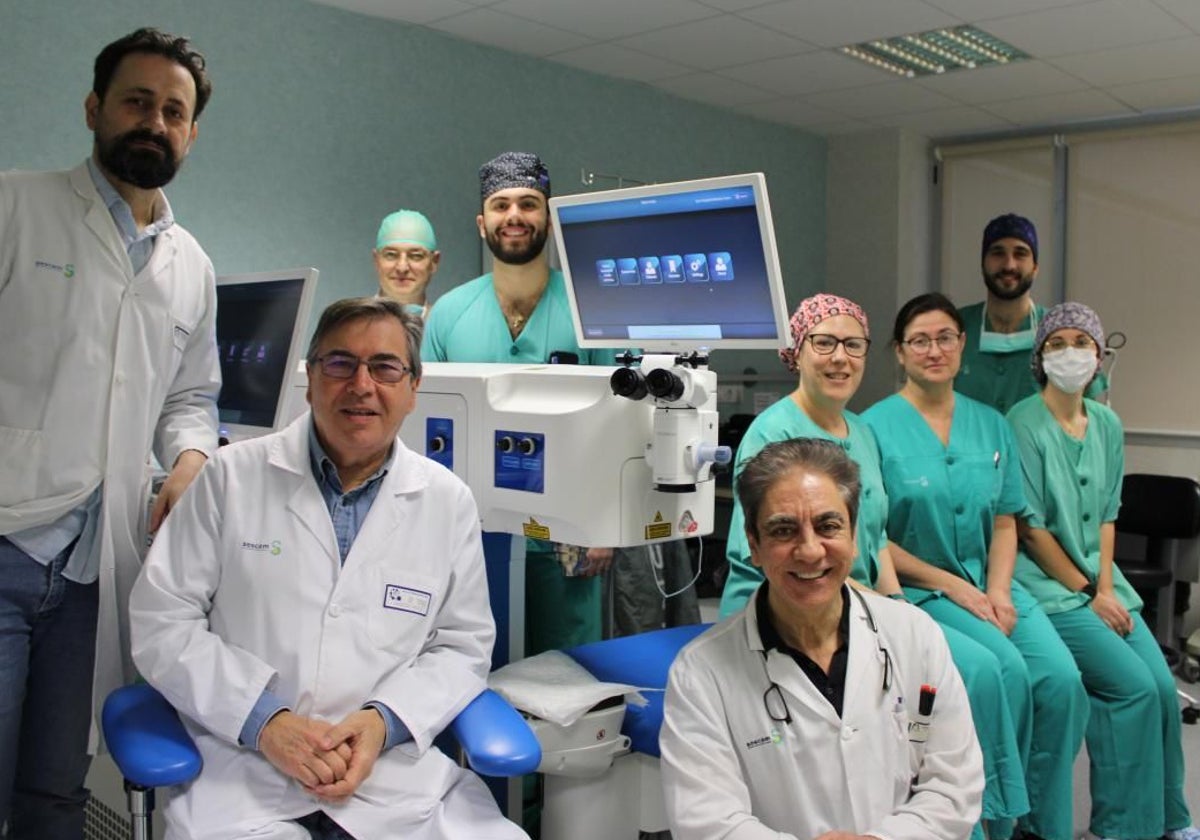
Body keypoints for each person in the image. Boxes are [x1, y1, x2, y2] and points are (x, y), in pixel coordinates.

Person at [129, 297, 526, 840]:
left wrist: (381, 723)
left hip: (394, 781)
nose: (361, 384)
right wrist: (266, 722)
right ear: (311, 379)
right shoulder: (229, 479)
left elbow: (462, 645)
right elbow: (162, 623)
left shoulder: (446, 500)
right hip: (247, 774)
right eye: (340, 363)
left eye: (385, 367)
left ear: (412, 389)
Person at [0, 27, 220, 835]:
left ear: (191, 134)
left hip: (96, 570)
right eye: (137, 101)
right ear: (95, 108)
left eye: (173, 111)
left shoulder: (189, 263)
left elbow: (190, 394)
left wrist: (191, 456)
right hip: (7, 546)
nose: (153, 122)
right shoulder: (14, 205)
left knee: (58, 785)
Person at [719, 293, 1028, 839]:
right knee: (972, 672)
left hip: (861, 601)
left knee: (960, 672)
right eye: (824, 343)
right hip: (788, 607)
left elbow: (876, 536)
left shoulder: (860, 432)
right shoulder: (771, 434)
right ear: (797, 351)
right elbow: (775, 557)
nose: (840, 357)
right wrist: (874, 612)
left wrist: (900, 612)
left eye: (853, 345)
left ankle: (973, 818)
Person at [661, 438, 983, 840]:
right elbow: (705, 821)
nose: (811, 551)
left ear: (853, 534)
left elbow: (955, 785)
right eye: (784, 530)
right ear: (754, 544)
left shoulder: (913, 634)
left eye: (828, 526)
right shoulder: (701, 672)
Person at [863, 292, 1088, 840]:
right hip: (921, 588)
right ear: (899, 352)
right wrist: (958, 590)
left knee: (1063, 682)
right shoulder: (873, 427)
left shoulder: (991, 425)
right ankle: (986, 818)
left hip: (991, 582)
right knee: (996, 673)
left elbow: (1007, 521)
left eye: (945, 337)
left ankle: (1044, 821)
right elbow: (877, 539)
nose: (934, 349)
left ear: (962, 344)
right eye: (919, 340)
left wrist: (999, 591)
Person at [1009, 302, 1200, 840]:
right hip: (1049, 587)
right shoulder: (1024, 422)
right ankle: (1124, 827)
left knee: (1162, 688)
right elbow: (1031, 527)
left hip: (1103, 585)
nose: (1070, 352)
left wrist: (1111, 586)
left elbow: (1109, 515)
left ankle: (1170, 818)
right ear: (1041, 356)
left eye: (1082, 342)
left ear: (1099, 357)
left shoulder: (1108, 423)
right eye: (1057, 342)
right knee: (1132, 687)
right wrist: (1091, 591)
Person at [421, 151, 618, 655]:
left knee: (570, 670)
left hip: (570, 535)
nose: (514, 216)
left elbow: (621, 420)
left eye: (529, 204)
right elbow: (422, 423)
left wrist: (606, 523)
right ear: (481, 221)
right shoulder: (449, 314)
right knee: (476, 663)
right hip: (471, 531)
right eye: (500, 204)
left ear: (548, 218)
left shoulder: (590, 309)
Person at [956, 213, 1105, 415]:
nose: (1009, 265)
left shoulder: (1064, 331)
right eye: (998, 253)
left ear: (1035, 268)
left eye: (1020, 254)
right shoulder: (954, 328)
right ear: (983, 264)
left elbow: (1086, 418)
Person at [373, 209, 440, 318]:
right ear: (376, 260)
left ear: (434, 262)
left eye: (416, 256)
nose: (402, 267)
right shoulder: (349, 327)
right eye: (391, 255)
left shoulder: (444, 328)